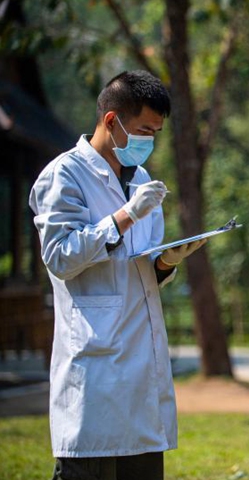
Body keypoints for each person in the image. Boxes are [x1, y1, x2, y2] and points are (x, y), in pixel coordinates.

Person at [29, 70, 206, 480]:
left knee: (141, 468)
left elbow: (138, 268)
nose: (150, 141)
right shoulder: (65, 175)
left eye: (157, 132)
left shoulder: (140, 180)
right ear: (112, 121)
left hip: (140, 362)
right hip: (94, 363)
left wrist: (168, 262)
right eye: (144, 130)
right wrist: (126, 215)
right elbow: (59, 256)